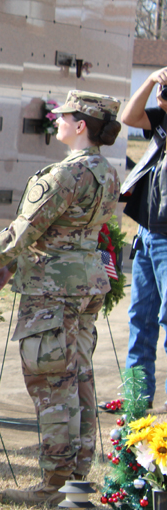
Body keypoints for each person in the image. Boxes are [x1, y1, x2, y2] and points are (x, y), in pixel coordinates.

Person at [0, 90, 122, 506]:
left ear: (81, 126)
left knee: (52, 383)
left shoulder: (65, 175)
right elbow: (62, 237)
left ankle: (52, 487)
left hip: (51, 294)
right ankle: (77, 482)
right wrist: (11, 269)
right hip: (83, 289)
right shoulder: (106, 172)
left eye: (65, 116)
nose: (56, 120)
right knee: (79, 381)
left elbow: (23, 232)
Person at [118, 67, 167, 404]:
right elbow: (129, 116)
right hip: (148, 232)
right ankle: (137, 399)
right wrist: (150, 81)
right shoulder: (162, 123)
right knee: (140, 318)